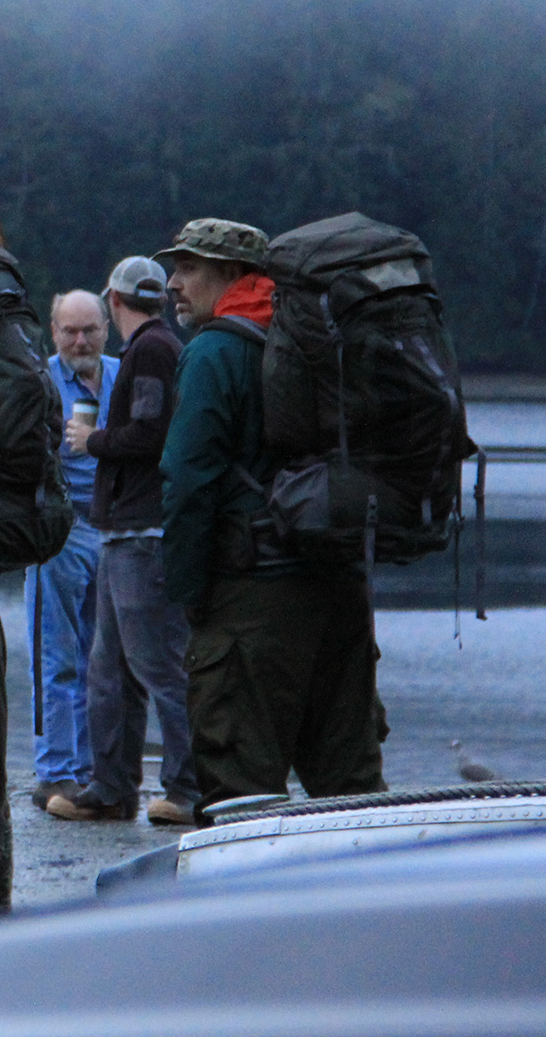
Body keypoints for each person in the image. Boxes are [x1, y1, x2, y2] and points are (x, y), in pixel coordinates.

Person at [158, 219, 386, 818]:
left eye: (189, 268)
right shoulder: (319, 343)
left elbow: (186, 480)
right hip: (340, 588)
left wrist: (186, 591)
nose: (173, 283)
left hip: (252, 597)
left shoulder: (214, 351)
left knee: (242, 794)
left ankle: (250, 913)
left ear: (234, 275)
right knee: (352, 790)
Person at [51, 257, 195, 825]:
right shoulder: (151, 346)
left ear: (113, 301)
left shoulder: (154, 350)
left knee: (159, 667)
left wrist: (93, 440)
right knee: (107, 670)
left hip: (144, 534)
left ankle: (187, 788)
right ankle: (110, 789)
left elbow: (152, 434)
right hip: (121, 533)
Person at [26, 293, 113, 810]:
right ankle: (56, 771)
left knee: (103, 662)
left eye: (90, 330)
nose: (80, 341)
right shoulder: (40, 382)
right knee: (56, 658)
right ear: (53, 331)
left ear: (107, 328)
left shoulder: (124, 375)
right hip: (61, 528)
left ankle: (93, 771)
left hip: (118, 528)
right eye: (69, 331)